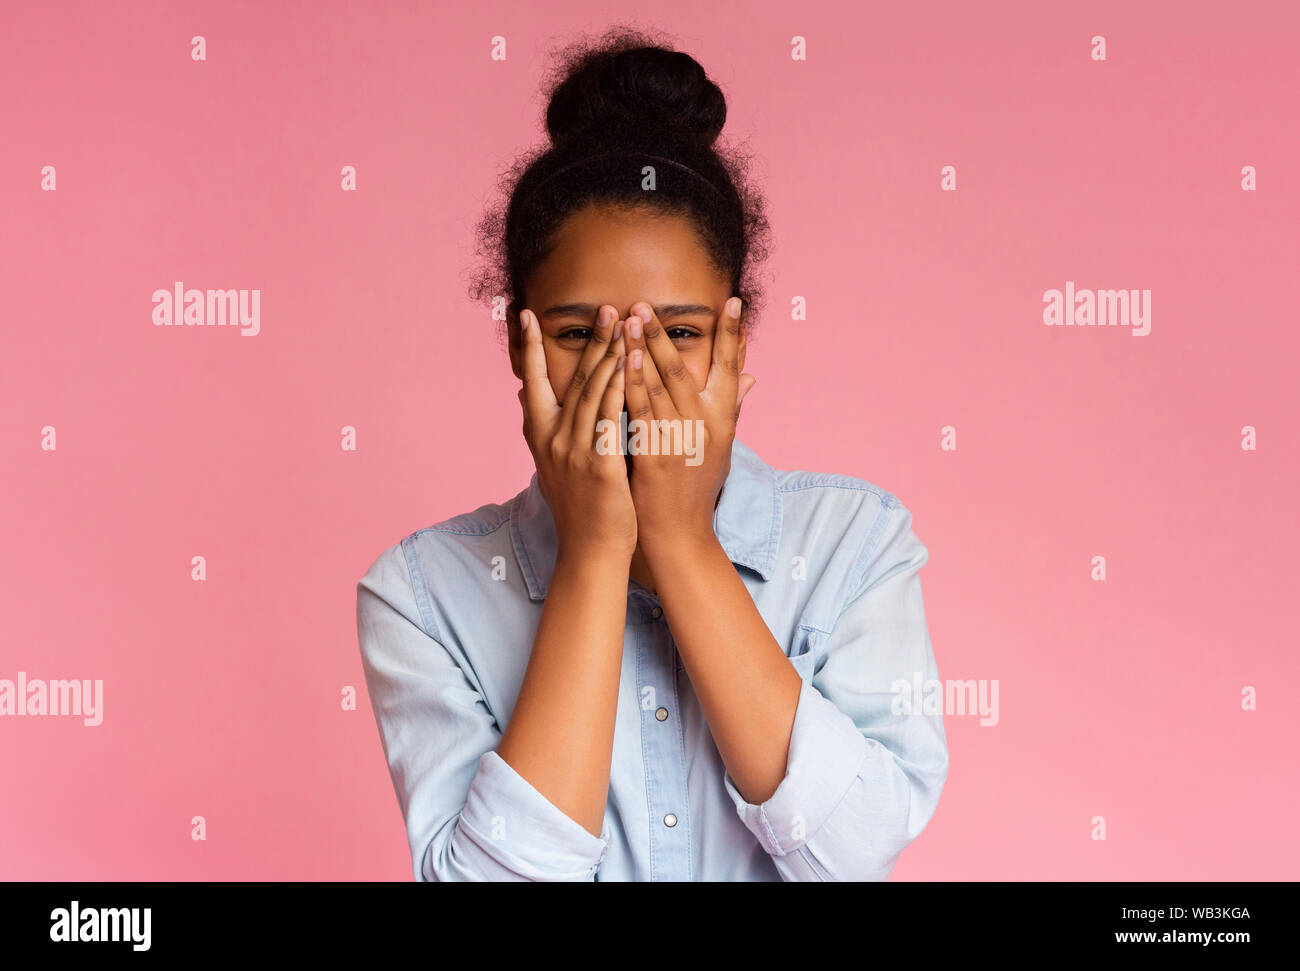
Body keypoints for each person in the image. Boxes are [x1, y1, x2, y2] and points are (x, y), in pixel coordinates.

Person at [356, 27, 948, 881]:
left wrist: (681, 542)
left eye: (678, 333)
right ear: (517, 349)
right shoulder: (423, 596)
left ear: (736, 348)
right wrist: (597, 554)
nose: (632, 380)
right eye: (575, 334)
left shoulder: (857, 543)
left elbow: (853, 854)